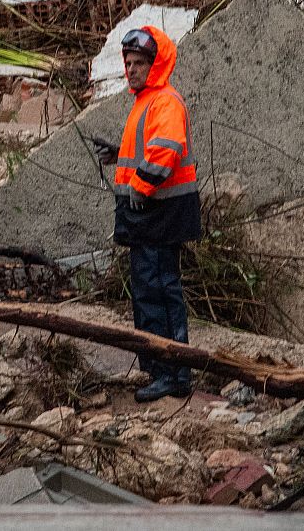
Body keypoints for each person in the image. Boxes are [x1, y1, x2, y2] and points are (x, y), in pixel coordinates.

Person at [91, 26, 201, 402]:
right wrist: (118, 155)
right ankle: (162, 368)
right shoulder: (147, 102)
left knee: (159, 293)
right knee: (150, 292)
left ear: (156, 64)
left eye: (139, 63)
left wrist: (137, 189)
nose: (131, 69)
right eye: (128, 62)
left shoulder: (164, 102)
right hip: (151, 218)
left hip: (158, 216)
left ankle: (172, 372)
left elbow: (164, 154)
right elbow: (148, 151)